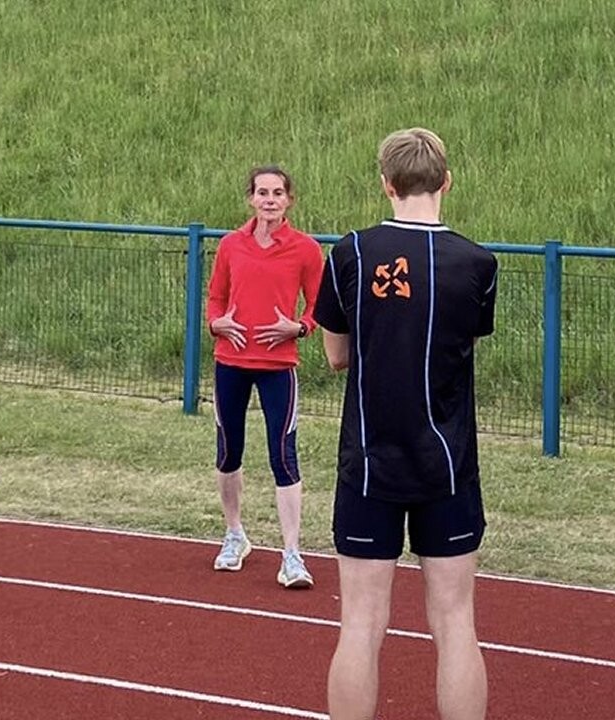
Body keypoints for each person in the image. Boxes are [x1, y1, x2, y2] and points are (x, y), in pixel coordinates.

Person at [316, 127, 496, 720]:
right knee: (456, 621)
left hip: (369, 464)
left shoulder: (350, 252)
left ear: (386, 184)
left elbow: (337, 356)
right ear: (447, 181)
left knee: (361, 623)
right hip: (449, 466)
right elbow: (461, 344)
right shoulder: (478, 263)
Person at [205, 164, 323, 589]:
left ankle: (291, 554)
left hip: (278, 368)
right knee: (228, 450)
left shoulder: (306, 249)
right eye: (262, 192)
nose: (269, 200)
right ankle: (234, 534)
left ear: (289, 200)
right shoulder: (230, 245)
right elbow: (215, 298)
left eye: (277, 193)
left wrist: (300, 328)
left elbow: (319, 306)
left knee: (283, 456)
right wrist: (216, 323)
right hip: (231, 363)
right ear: (251, 198)